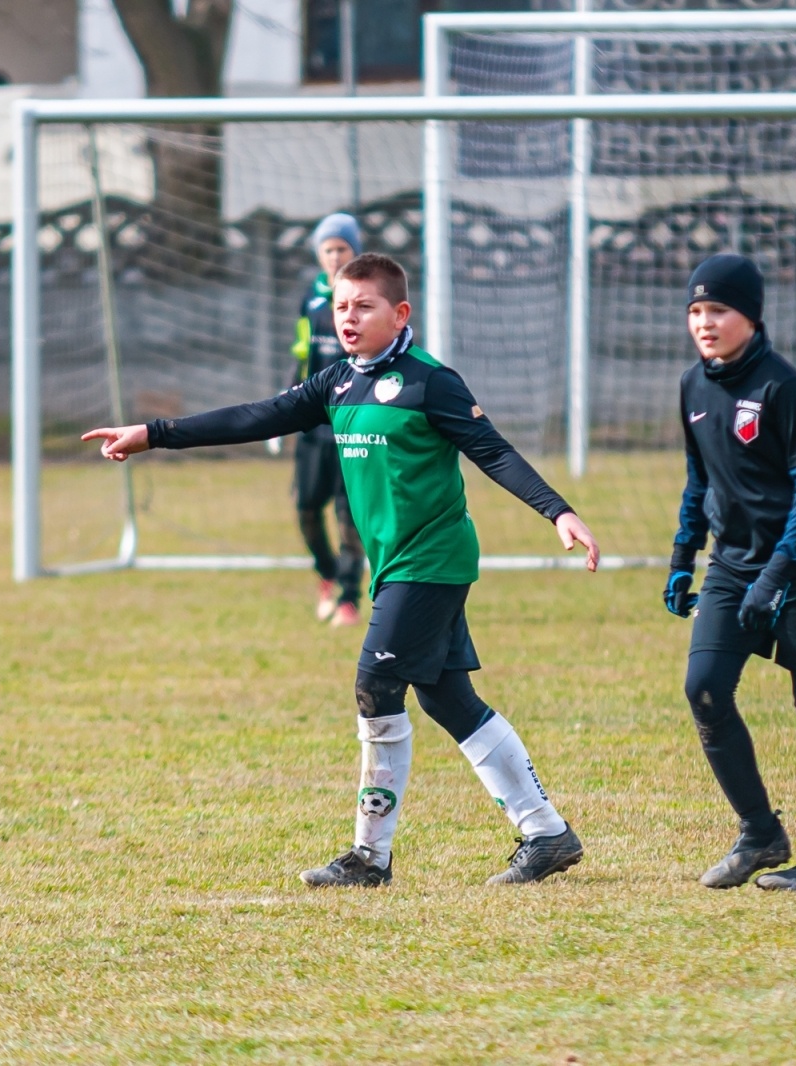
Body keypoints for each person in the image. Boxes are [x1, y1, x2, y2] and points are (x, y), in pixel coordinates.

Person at [83, 253, 598, 888]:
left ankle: (369, 858)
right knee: (447, 698)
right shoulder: (338, 382)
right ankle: (546, 832)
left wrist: (558, 511)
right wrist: (154, 432)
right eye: (340, 306)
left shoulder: (431, 382)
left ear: (400, 313)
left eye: (363, 306)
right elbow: (256, 416)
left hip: (432, 560)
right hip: (396, 565)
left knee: (375, 686)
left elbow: (493, 451)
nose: (347, 318)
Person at [664, 253, 796, 893]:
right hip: (731, 564)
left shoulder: (784, 388)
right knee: (704, 689)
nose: (704, 322)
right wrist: (682, 557)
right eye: (695, 310)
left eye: (718, 309)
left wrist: (776, 577)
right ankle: (760, 833)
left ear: (750, 315)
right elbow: (699, 480)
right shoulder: (691, 387)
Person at [291, 213, 365, 626]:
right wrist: (287, 402)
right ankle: (327, 573)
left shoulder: (365, 298)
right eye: (328, 249)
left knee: (349, 515)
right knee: (305, 508)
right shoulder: (312, 299)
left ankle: (350, 598)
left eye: (342, 248)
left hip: (352, 425)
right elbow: (303, 356)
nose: (335, 256)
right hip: (314, 427)